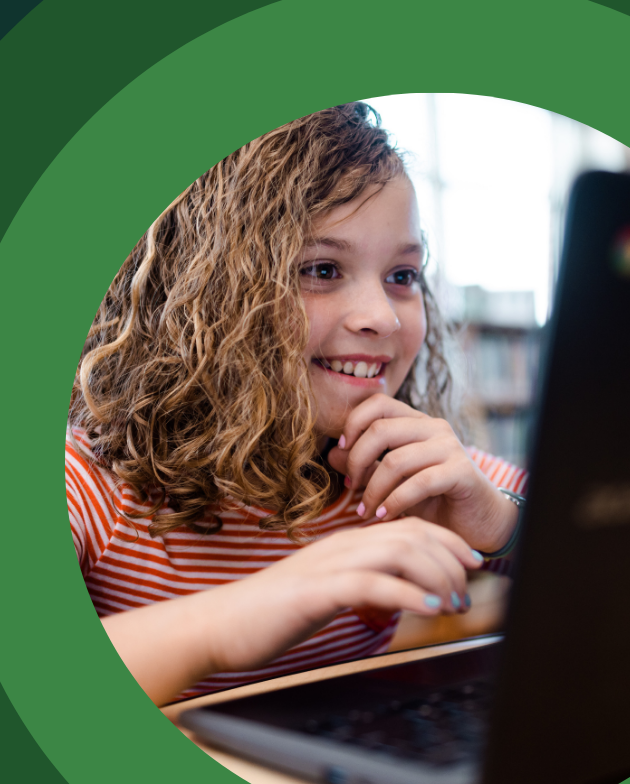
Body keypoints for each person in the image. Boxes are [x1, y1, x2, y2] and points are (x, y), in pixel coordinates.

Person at [66, 103, 527, 706]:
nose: (382, 318)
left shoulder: (396, 465)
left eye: (403, 276)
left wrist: (499, 526)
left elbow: (628, 567)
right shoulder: (93, 478)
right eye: (323, 269)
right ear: (208, 295)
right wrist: (231, 619)